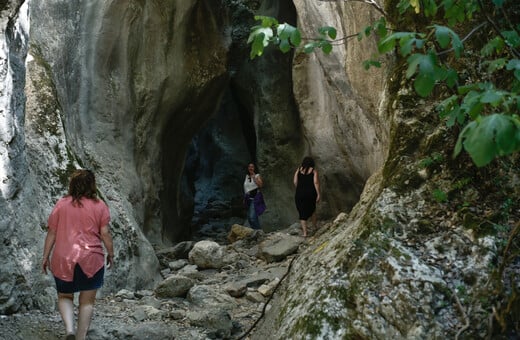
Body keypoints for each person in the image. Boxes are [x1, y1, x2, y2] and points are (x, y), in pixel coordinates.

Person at [42, 169, 114, 340]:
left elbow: (52, 232)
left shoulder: (61, 204)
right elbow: (105, 233)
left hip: (63, 258)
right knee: (87, 301)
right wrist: (111, 253)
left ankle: (69, 331)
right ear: (92, 185)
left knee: (65, 296)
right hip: (91, 259)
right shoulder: (100, 206)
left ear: (72, 185)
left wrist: (45, 256)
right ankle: (80, 337)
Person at [293, 157, 321, 237]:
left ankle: (305, 233)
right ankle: (314, 227)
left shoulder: (298, 170)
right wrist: (318, 194)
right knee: (312, 209)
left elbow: (295, 181)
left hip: (299, 194)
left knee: (302, 213)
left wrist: (299, 189)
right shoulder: (313, 171)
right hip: (310, 194)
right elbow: (316, 183)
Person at [243, 162, 264, 229]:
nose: (250, 168)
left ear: (255, 168)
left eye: (252, 167)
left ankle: (259, 232)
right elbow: (246, 188)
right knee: (249, 217)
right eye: (249, 166)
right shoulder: (246, 176)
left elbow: (260, 185)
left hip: (255, 198)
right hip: (248, 198)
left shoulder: (257, 175)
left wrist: (254, 177)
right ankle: (256, 232)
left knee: (252, 217)